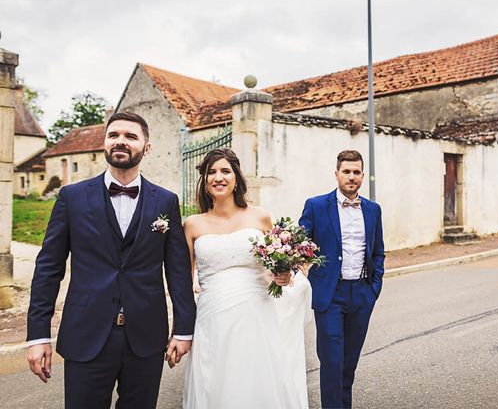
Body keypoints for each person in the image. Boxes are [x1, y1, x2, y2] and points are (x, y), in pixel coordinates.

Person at [26, 112, 196, 409]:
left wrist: (183, 329)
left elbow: (178, 270)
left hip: (146, 336)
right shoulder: (72, 197)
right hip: (86, 334)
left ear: (147, 147)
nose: (120, 141)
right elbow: (48, 269)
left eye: (131, 136)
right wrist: (38, 335)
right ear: (104, 143)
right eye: (113, 135)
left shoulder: (166, 201)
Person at [182, 148, 311, 409]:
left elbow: (280, 262)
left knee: (258, 377)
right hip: (213, 316)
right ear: (205, 181)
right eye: (212, 172)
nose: (218, 177)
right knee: (216, 382)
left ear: (236, 178)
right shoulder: (192, 225)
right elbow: (183, 281)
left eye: (225, 171)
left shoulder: (259, 216)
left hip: (257, 311)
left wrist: (283, 275)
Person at [299, 149, 385, 409]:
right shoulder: (315, 206)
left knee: (349, 364)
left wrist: (374, 287)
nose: (351, 177)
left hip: (361, 293)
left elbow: (378, 251)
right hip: (330, 295)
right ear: (336, 174)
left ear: (362, 175)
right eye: (346, 172)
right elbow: (299, 246)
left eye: (356, 172)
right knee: (332, 363)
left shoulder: (373, 210)